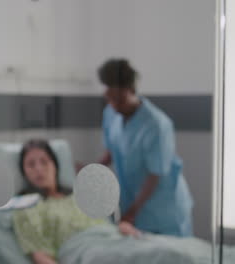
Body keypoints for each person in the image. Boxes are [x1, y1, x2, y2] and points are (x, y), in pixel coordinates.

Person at [78, 59, 193, 237]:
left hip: (163, 209)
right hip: (132, 204)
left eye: (119, 99)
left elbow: (154, 175)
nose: (114, 104)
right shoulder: (110, 113)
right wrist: (92, 170)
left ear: (131, 91)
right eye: (110, 98)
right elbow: (112, 150)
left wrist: (132, 213)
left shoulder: (157, 125)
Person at [13, 139, 141, 264]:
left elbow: (105, 224)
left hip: (113, 240)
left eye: (44, 162)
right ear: (24, 172)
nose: (39, 169)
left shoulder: (79, 196)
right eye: (31, 164)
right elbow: (40, 256)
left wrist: (119, 228)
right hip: (83, 251)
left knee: (155, 247)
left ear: (55, 166)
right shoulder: (27, 208)